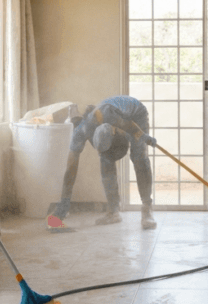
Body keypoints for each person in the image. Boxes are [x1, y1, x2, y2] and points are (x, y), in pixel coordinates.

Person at [48, 96, 159, 231]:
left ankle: (147, 209)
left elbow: (132, 127)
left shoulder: (109, 115)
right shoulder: (80, 133)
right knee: (106, 161)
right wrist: (63, 204)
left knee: (139, 157)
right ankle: (113, 212)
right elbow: (70, 170)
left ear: (116, 131)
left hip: (136, 113)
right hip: (117, 118)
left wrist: (144, 137)